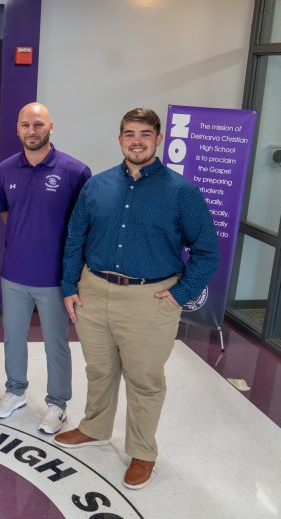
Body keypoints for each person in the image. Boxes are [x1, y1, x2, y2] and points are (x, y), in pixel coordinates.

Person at [55, 108, 219, 490]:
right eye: (129, 134)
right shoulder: (96, 186)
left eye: (145, 134)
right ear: (120, 139)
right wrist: (69, 285)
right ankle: (95, 428)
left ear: (158, 139)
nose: (137, 141)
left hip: (150, 298)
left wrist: (179, 295)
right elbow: (75, 238)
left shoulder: (182, 192)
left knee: (144, 381)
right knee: (99, 370)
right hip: (94, 291)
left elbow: (207, 251)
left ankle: (143, 452)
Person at [0, 103, 91, 435]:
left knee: (56, 342)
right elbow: (7, 214)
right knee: (13, 337)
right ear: (17, 129)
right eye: (25, 125)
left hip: (54, 277)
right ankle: (15, 391)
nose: (31, 131)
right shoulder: (5, 170)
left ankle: (58, 404)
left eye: (38, 125)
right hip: (15, 272)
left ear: (51, 127)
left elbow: (81, 227)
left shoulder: (75, 171)